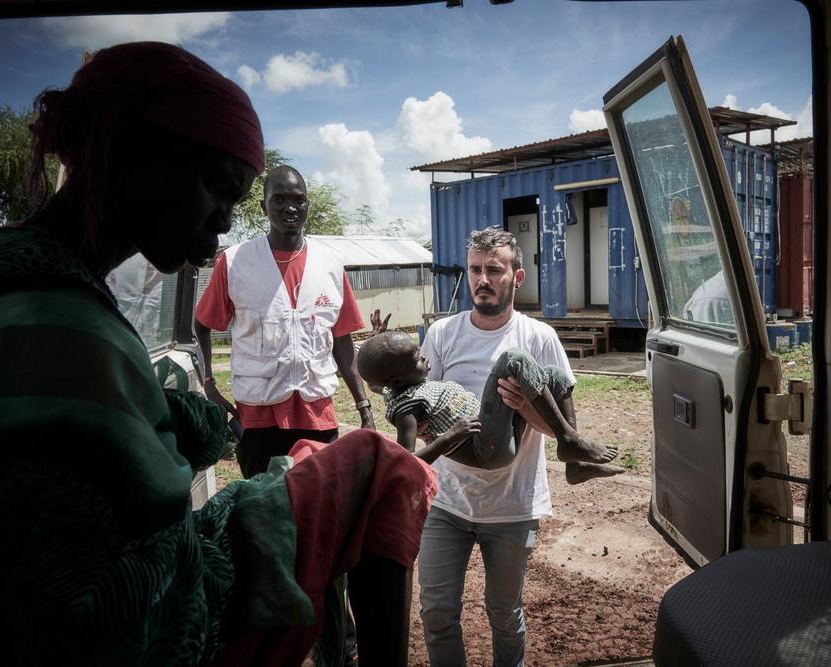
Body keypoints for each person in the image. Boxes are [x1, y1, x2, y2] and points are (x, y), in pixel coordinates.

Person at [0, 41, 435, 667]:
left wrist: (358, 401)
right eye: (216, 187)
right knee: (376, 468)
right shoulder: (71, 326)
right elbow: (134, 589)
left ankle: (337, 647)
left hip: (313, 410)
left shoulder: (2, 280)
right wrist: (210, 393)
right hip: (252, 431)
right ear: (131, 153)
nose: (224, 220)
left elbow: (342, 344)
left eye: (241, 201)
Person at [415, 227, 620, 666]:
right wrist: (438, 431)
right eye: (474, 269)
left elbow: (559, 426)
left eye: (493, 269)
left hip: (512, 506)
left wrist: (526, 409)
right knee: (436, 613)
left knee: (505, 614)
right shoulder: (442, 334)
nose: (481, 279)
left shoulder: (539, 337)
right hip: (447, 503)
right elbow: (419, 417)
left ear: (518, 276)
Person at [195, 165, 374, 480]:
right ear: (264, 207)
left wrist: (364, 408)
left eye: (298, 199)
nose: (290, 207)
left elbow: (342, 341)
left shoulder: (329, 264)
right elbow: (201, 324)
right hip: (257, 417)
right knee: (263, 511)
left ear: (307, 205)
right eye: (278, 199)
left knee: (318, 508)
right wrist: (209, 386)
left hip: (317, 413)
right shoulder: (235, 262)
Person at [358, 331, 619, 470]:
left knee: (555, 375)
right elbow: (405, 463)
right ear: (397, 381)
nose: (424, 356)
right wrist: (449, 437)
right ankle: (569, 440)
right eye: (415, 357)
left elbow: (378, 385)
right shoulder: (407, 409)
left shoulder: (403, 388)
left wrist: (377, 339)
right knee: (512, 359)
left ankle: (575, 463)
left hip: (494, 433)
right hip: (485, 450)